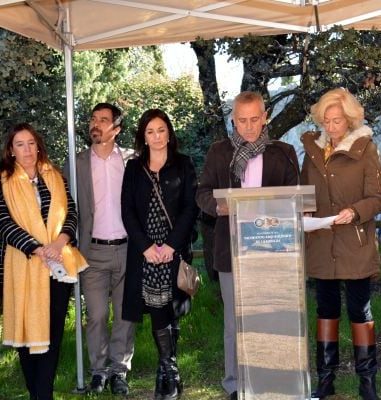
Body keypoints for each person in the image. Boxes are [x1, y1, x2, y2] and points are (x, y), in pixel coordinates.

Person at [196, 91, 300, 400]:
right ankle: (235, 385)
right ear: (233, 120)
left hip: (273, 248)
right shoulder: (219, 152)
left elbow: (296, 195)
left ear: (265, 117)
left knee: (270, 318)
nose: (249, 126)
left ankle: (271, 379)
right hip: (232, 252)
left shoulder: (284, 152)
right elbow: (201, 193)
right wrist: (220, 207)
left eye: (255, 119)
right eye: (242, 120)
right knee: (234, 324)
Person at [300, 88, 381, 400]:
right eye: (327, 121)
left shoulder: (366, 149)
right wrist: (306, 208)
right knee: (325, 309)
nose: (332, 127)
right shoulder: (311, 149)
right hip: (321, 241)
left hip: (355, 243)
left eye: (338, 121)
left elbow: (377, 199)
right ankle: (325, 382)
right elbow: (304, 191)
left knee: (359, 310)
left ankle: (368, 384)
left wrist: (356, 211)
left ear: (349, 120)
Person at [0, 123, 87, 400]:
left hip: (57, 264)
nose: (27, 149)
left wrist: (60, 242)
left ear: (39, 146)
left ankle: (43, 393)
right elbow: (2, 223)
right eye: (20, 144)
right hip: (22, 265)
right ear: (11, 150)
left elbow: (71, 212)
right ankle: (36, 392)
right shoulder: (2, 180)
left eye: (32, 143)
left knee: (53, 334)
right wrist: (37, 248)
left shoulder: (54, 175)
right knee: (26, 334)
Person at [120, 109, 198, 399]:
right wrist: (146, 248)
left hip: (173, 252)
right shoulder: (133, 168)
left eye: (161, 130)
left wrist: (171, 246)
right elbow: (126, 209)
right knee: (156, 310)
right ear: (143, 136)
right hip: (147, 254)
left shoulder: (184, 165)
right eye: (150, 131)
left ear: (169, 132)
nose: (156, 136)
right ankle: (170, 370)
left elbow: (191, 208)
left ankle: (165, 371)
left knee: (171, 311)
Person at [68, 102, 135, 394]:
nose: (95, 124)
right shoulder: (77, 162)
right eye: (93, 119)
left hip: (128, 249)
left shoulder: (133, 160)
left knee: (124, 314)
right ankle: (98, 370)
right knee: (95, 315)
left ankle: (119, 370)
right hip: (91, 250)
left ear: (116, 129)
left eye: (103, 120)